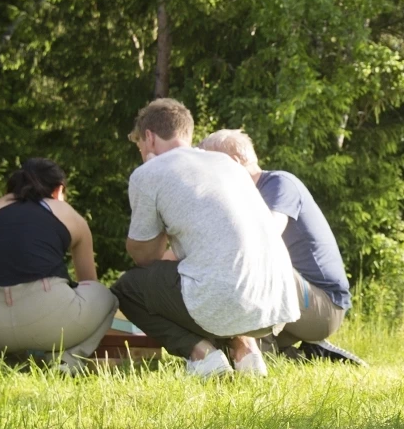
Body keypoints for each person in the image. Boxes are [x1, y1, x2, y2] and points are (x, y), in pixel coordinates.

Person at [111, 99, 301, 377]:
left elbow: (145, 256)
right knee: (203, 274)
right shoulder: (226, 163)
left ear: (149, 137)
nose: (140, 150)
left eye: (139, 143)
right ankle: (245, 350)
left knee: (128, 289)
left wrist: (161, 215)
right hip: (276, 304)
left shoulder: (149, 173)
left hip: (229, 300)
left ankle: (202, 354)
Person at [199, 129, 364, 365]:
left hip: (323, 306)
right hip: (293, 306)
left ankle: (273, 353)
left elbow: (266, 237)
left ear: (233, 162)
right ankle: (308, 355)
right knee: (227, 347)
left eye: (210, 163)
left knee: (253, 262)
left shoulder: (278, 183)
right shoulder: (245, 196)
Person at [0, 158, 117, 374]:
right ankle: (67, 361)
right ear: (59, 189)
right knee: (107, 296)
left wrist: (2, 249)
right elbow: (88, 280)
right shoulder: (65, 211)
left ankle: (5, 360)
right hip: (49, 319)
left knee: (6, 326)